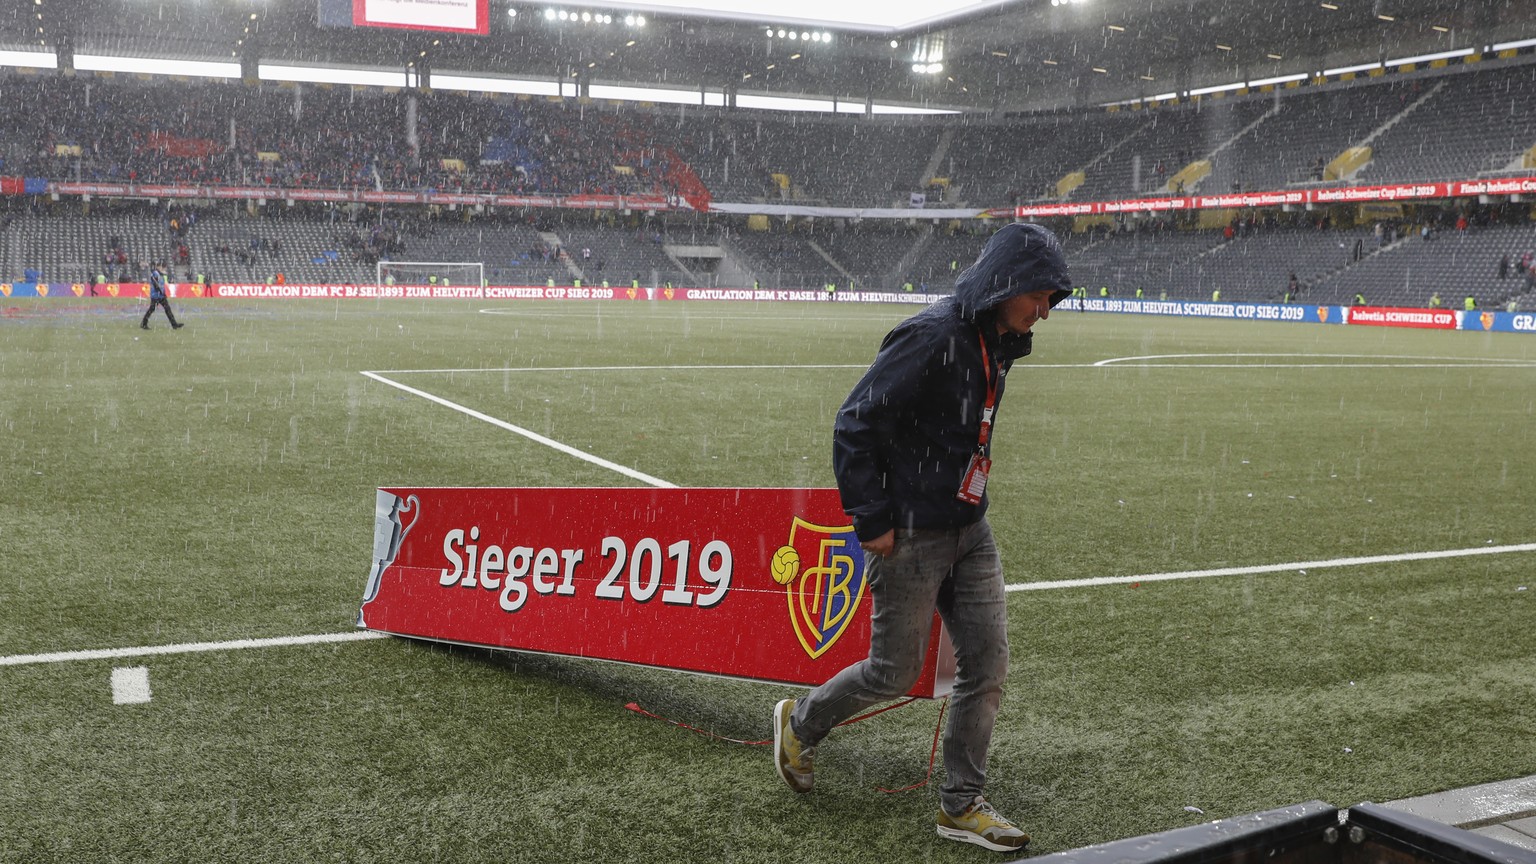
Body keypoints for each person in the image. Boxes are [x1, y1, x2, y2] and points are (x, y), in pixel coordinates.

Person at [773, 222, 1071, 854]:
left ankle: (960, 806)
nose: (1045, 312)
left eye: (1051, 301)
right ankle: (801, 722)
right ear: (1008, 283)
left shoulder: (998, 339)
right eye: (1040, 296)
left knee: (986, 666)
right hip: (908, 534)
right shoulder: (934, 335)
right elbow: (856, 421)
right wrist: (871, 518)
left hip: (970, 529)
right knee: (893, 672)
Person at [140, 265, 184, 330]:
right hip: (156, 296)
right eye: (163, 267)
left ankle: (174, 324)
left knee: (167, 309)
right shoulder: (155, 274)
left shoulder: (160, 275)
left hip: (161, 296)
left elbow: (160, 285)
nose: (164, 269)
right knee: (152, 309)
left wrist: (163, 293)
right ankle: (144, 323)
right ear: (158, 267)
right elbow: (156, 285)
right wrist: (160, 292)